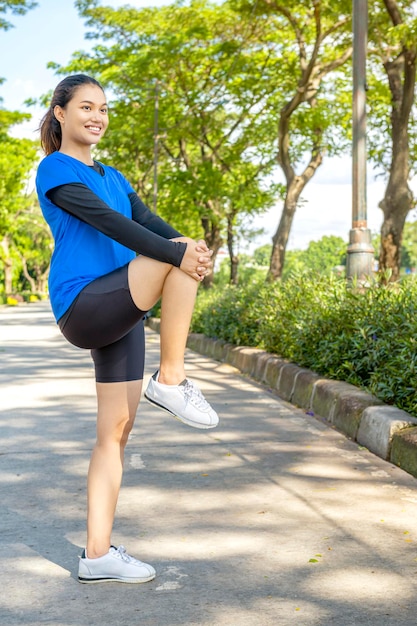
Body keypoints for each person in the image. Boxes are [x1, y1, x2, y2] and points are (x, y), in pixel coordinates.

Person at [36, 74, 219, 585]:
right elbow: (111, 226)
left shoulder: (115, 177)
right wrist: (178, 254)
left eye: (104, 109)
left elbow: (149, 221)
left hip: (124, 306)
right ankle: (172, 380)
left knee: (115, 434)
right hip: (86, 302)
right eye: (85, 107)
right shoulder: (55, 169)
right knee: (172, 258)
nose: (96, 116)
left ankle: (97, 556)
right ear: (60, 114)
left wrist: (192, 250)